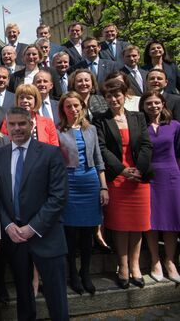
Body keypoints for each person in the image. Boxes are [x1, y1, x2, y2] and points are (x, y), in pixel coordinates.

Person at [0, 107, 69, 321]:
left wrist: (32, 227)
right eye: (12, 124)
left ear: (31, 125)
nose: (16, 128)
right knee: (24, 299)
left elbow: (58, 197)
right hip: (14, 239)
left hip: (47, 236)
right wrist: (7, 225)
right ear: (6, 127)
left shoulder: (50, 153)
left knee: (57, 298)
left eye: (21, 124)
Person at [93, 78, 152, 289]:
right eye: (109, 96)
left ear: (124, 95)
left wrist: (139, 170)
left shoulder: (138, 117)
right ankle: (123, 266)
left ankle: (135, 266)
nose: (113, 99)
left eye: (117, 95)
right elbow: (101, 148)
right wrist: (122, 170)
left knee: (137, 226)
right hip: (117, 178)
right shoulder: (100, 119)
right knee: (120, 226)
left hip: (138, 180)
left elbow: (146, 145)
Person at [56, 92, 108, 296]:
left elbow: (98, 159)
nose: (73, 109)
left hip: (89, 182)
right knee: (70, 233)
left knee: (88, 233)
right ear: (63, 109)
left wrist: (103, 187)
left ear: (82, 107)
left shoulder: (91, 129)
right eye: (68, 106)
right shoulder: (58, 130)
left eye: (76, 105)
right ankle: (73, 275)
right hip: (69, 183)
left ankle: (85, 273)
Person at [139, 91, 180, 284]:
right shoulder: (140, 127)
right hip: (149, 177)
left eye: (157, 103)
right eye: (149, 103)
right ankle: (155, 260)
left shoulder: (175, 126)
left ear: (163, 104)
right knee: (151, 220)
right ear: (143, 106)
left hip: (171, 176)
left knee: (171, 220)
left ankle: (170, 260)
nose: (153, 106)